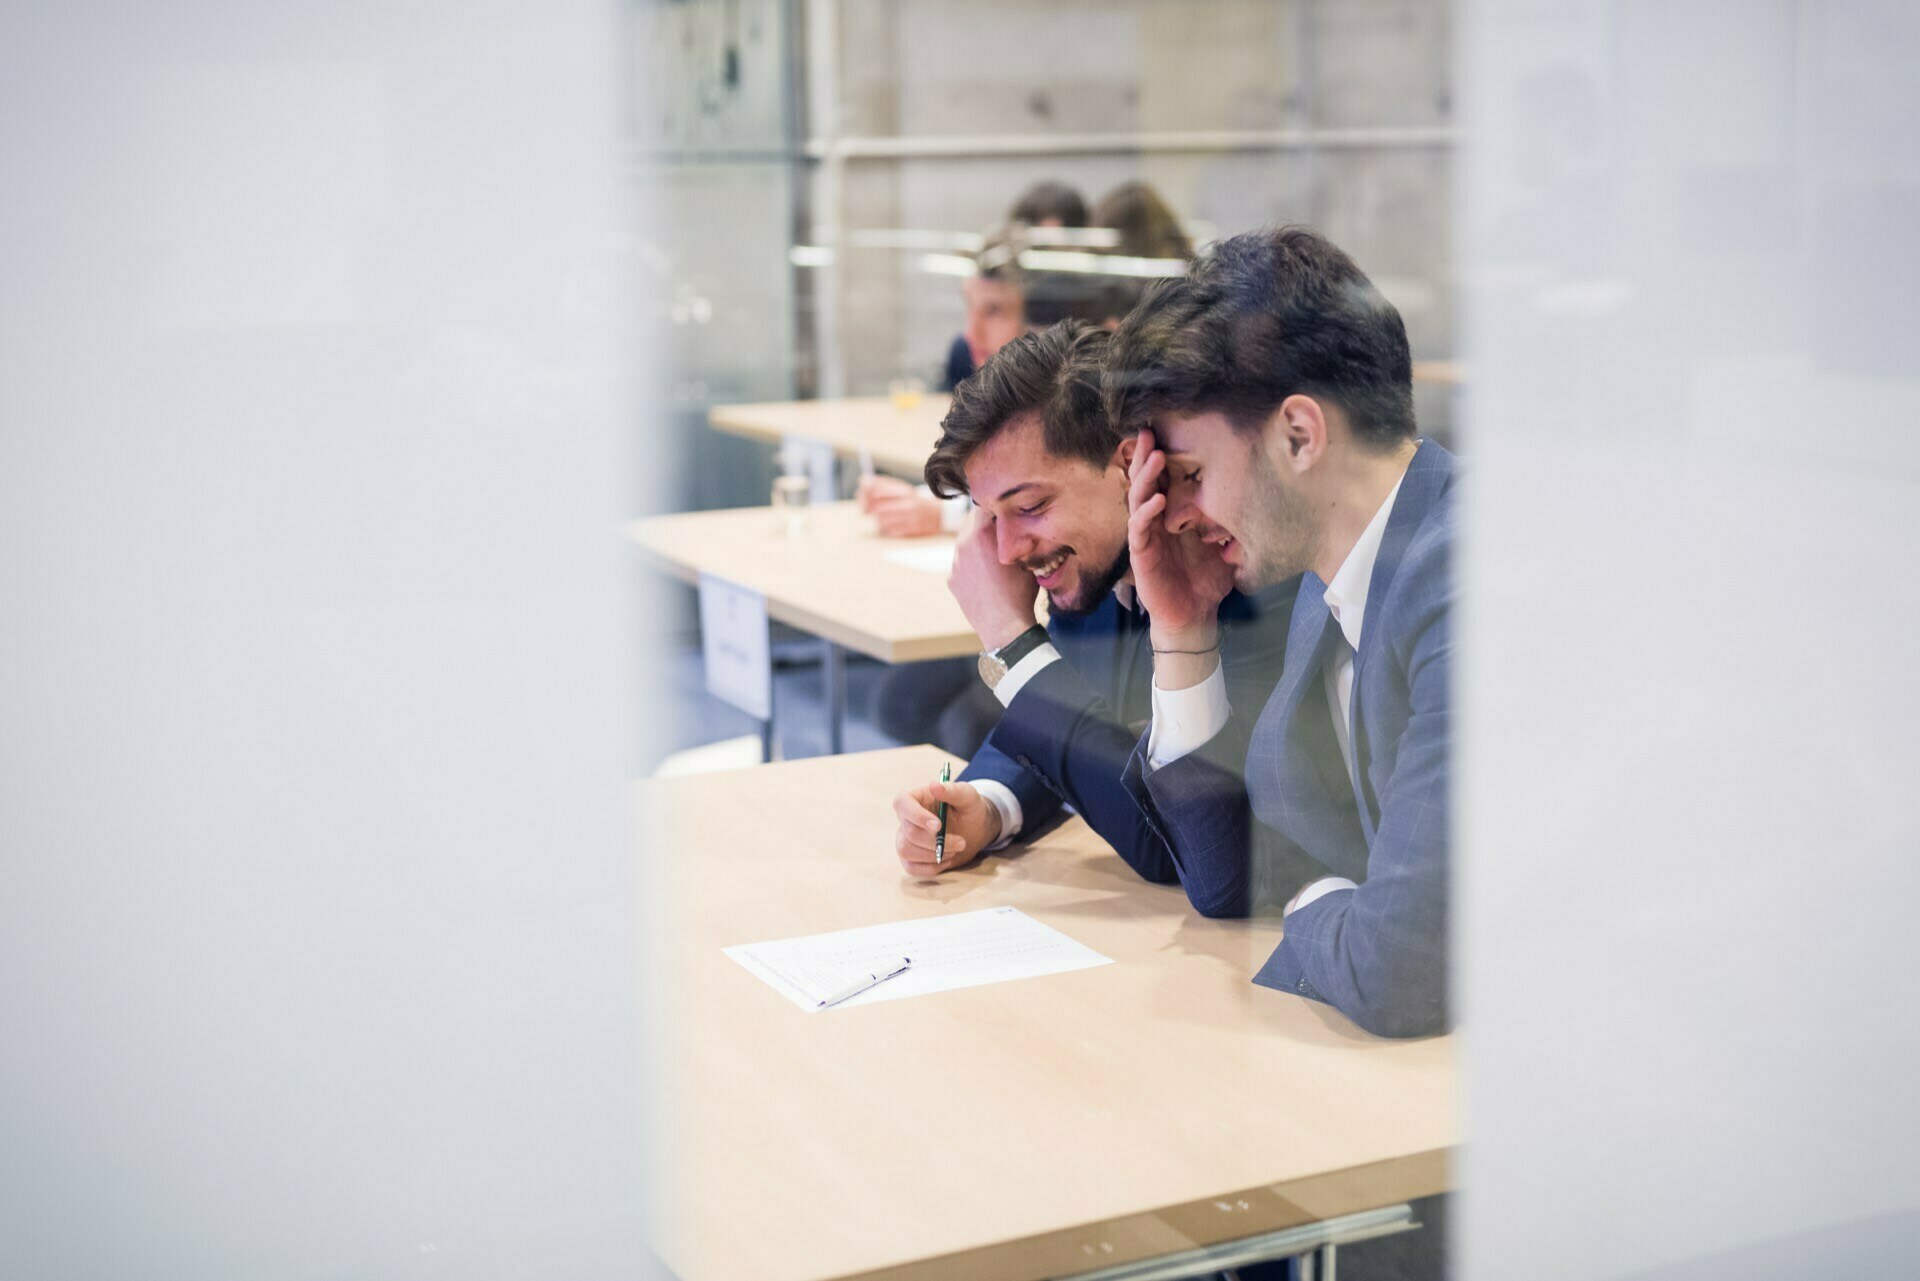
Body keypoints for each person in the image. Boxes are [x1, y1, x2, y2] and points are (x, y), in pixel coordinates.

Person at [1107, 226, 1454, 1039]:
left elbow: (1396, 965)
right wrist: (1183, 632)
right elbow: (1233, 879)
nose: (1177, 516)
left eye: (1190, 474)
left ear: (1300, 434)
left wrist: (1314, 898)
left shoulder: (1462, 580)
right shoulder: (1331, 578)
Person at [885, 321, 1297, 884]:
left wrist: (1011, 641)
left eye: (1030, 506)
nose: (1006, 553)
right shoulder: (1098, 564)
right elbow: (1087, 722)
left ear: (1129, 465)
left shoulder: (1244, 576)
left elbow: (1173, 844)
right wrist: (987, 807)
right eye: (990, 517)